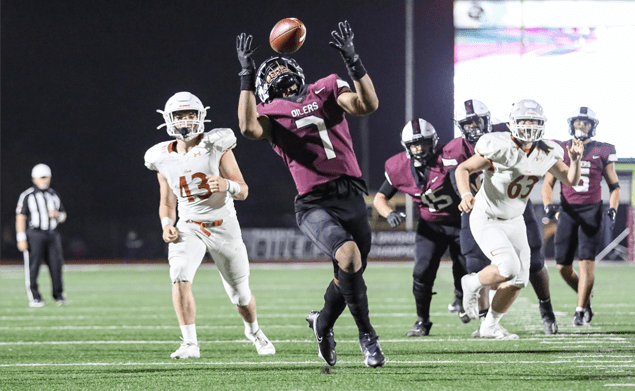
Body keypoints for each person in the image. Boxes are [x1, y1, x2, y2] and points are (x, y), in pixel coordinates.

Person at [235, 21, 385, 368]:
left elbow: (367, 105)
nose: (280, 73)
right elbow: (247, 128)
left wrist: (354, 61)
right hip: (314, 203)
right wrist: (245, 74)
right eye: (270, 72)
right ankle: (368, 338)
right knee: (348, 257)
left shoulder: (327, 88)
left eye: (283, 67)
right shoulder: (270, 112)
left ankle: (322, 322)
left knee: (348, 275)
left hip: (351, 195)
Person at [144, 91, 275, 359]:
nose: (186, 120)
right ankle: (190, 343)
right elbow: (167, 201)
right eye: (180, 115)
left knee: (240, 295)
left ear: (201, 116)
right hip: (189, 223)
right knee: (179, 273)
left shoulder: (216, 143)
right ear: (169, 119)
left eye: (191, 114)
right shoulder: (160, 156)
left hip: (223, 224)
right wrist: (166, 223)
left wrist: (227, 185)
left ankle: (254, 331)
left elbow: (244, 190)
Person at [455, 99, 583, 339]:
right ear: (513, 123)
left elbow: (571, 180)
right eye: (525, 120)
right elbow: (462, 169)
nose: (529, 126)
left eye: (534, 121)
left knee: (521, 278)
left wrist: (575, 160)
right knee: (508, 267)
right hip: (487, 217)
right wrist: (466, 194)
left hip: (514, 220)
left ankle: (490, 326)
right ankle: (471, 283)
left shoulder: (546, 151)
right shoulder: (499, 146)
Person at [373, 119, 470, 337]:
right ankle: (422, 321)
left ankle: (461, 299)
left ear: (433, 142)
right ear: (406, 146)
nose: (419, 148)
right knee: (422, 272)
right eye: (415, 144)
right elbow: (380, 197)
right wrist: (389, 213)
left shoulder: (447, 159)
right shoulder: (398, 167)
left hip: (458, 221)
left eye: (424, 143)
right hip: (431, 227)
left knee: (465, 266)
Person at [542, 107, 619, 326]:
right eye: (578, 122)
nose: (581, 126)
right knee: (562, 265)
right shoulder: (561, 148)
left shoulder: (602, 150)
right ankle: (585, 298)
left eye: (585, 123)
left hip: (592, 210)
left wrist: (613, 208)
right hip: (568, 210)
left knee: (586, 264)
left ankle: (579, 309)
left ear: (592, 126)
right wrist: (548, 205)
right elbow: (549, 182)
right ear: (571, 124)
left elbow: (614, 186)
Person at [16, 163, 67, 307]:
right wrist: (21, 237)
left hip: (52, 234)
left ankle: (59, 295)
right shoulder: (27, 195)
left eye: (47, 177)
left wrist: (58, 215)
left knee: (56, 265)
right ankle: (35, 297)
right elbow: (20, 216)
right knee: (33, 266)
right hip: (35, 234)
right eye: (42, 177)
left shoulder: (53, 194)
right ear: (35, 178)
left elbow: (64, 215)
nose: (45, 180)